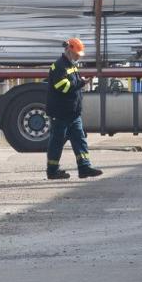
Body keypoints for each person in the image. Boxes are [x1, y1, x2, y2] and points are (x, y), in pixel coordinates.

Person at [45, 37, 102, 180]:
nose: (78, 57)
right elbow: (63, 87)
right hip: (60, 113)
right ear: (69, 50)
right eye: (76, 54)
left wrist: (80, 81)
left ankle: (84, 167)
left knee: (79, 139)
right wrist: (81, 83)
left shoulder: (71, 65)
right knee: (57, 142)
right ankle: (52, 171)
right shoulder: (58, 66)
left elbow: (73, 82)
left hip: (72, 113)